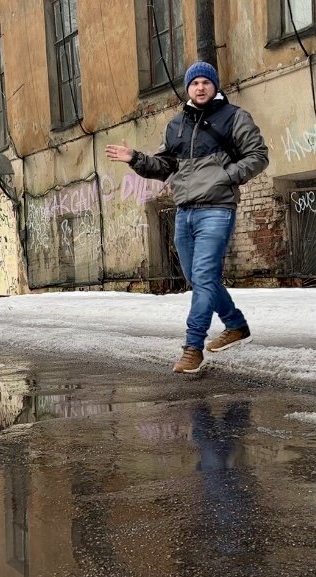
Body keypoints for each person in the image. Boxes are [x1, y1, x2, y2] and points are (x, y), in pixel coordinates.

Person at [105, 61, 269, 373]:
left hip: (217, 209)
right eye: (195, 83)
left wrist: (225, 176)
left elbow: (258, 156)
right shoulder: (176, 125)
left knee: (204, 277)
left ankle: (193, 348)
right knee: (197, 279)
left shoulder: (234, 117)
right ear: (188, 89)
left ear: (215, 86)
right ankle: (236, 325)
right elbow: (164, 166)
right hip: (184, 211)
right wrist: (135, 158)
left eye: (206, 82)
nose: (201, 87)